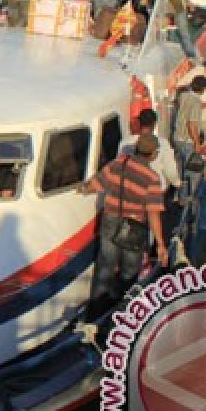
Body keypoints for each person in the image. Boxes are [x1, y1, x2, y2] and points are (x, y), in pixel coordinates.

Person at [81, 133, 169, 313]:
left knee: (105, 266)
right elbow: (153, 213)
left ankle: (96, 311)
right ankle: (120, 309)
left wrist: (82, 188)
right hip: (134, 226)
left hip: (110, 219)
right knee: (129, 271)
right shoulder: (152, 178)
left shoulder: (118, 163)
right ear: (154, 154)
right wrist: (160, 244)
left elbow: (95, 186)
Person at [121, 108, 180, 192]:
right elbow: (170, 170)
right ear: (154, 124)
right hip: (155, 190)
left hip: (132, 190)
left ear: (139, 122)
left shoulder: (124, 143)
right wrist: (176, 183)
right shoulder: (162, 143)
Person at [172, 75, 206, 169]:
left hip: (177, 137)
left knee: (180, 167)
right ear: (202, 88)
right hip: (187, 141)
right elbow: (191, 124)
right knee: (190, 169)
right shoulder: (196, 102)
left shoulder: (183, 95)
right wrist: (197, 143)